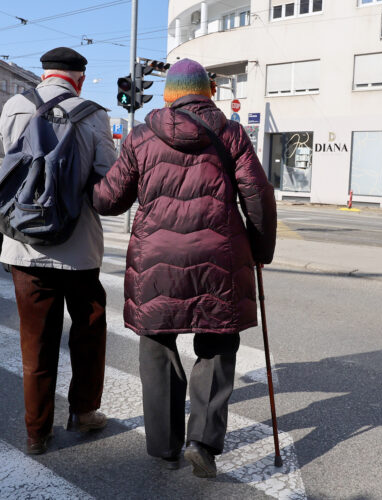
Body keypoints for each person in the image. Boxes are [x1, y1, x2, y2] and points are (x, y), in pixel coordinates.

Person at [93, 58, 277, 477]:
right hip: (219, 256)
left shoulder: (141, 137)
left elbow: (109, 200)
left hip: (156, 259)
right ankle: (203, 443)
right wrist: (261, 250)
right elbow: (258, 196)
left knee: (157, 346)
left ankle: (164, 445)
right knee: (216, 346)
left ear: (169, 95)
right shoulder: (230, 133)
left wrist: (91, 184)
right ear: (207, 92)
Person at [0, 47, 117, 455]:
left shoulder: (14, 106)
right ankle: (83, 413)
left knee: (36, 342)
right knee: (88, 333)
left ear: (44, 74)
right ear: (79, 78)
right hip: (79, 248)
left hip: (24, 247)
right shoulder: (94, 113)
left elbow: (0, 175)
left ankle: (36, 433)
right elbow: (107, 185)